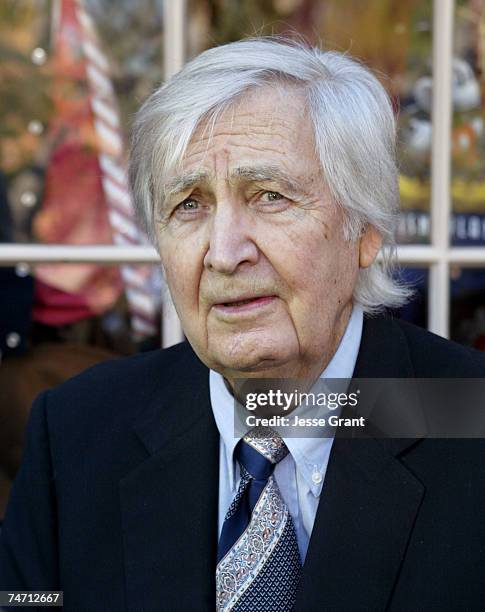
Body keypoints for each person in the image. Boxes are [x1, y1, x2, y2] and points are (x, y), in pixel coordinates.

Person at [1, 37, 485, 611]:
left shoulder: (468, 420)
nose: (224, 253)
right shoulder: (79, 431)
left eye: (270, 196)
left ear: (365, 229)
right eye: (189, 206)